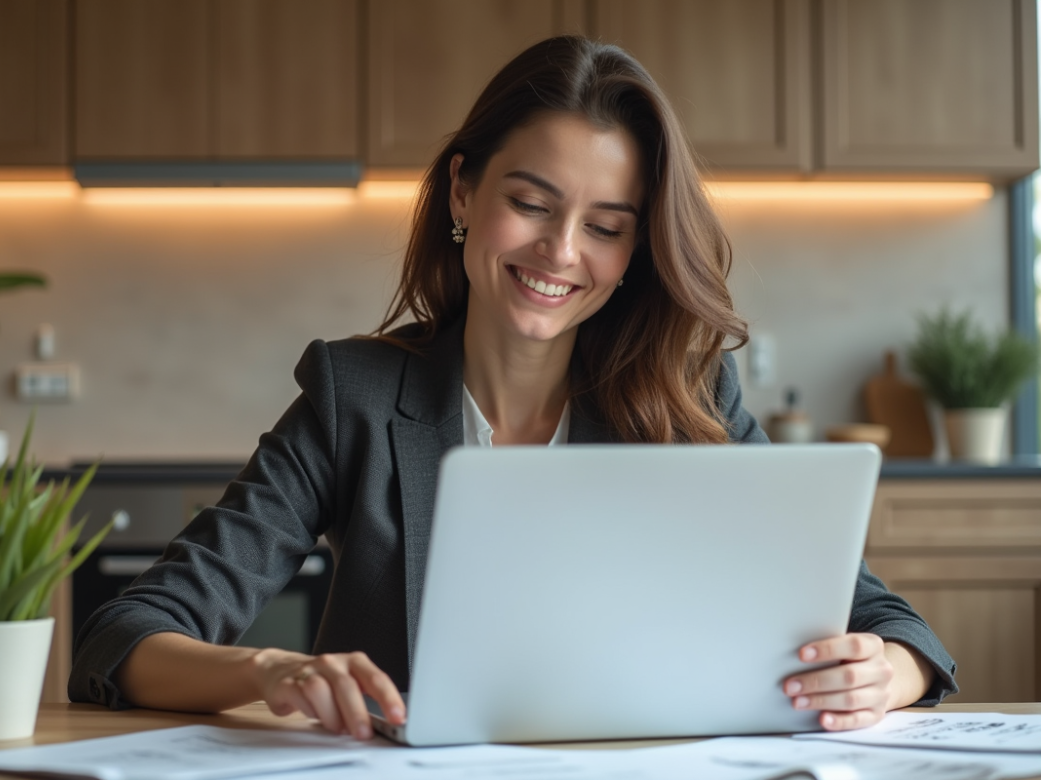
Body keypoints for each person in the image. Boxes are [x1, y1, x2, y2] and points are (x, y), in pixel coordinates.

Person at [70, 35, 957, 740]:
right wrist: (274, 672)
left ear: (632, 255)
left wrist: (889, 669)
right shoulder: (358, 397)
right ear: (463, 191)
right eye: (531, 204)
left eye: (606, 227)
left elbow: (891, 623)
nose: (561, 252)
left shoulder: (687, 399)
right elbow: (125, 635)